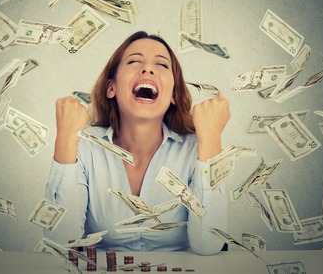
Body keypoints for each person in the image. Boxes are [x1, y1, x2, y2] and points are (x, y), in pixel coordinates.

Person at [45, 31, 231, 255]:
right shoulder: (84, 147)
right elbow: (62, 243)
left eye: (162, 65)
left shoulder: (196, 151)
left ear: (173, 94)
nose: (148, 69)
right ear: (111, 88)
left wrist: (210, 137)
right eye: (134, 61)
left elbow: (209, 245)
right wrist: (65, 138)